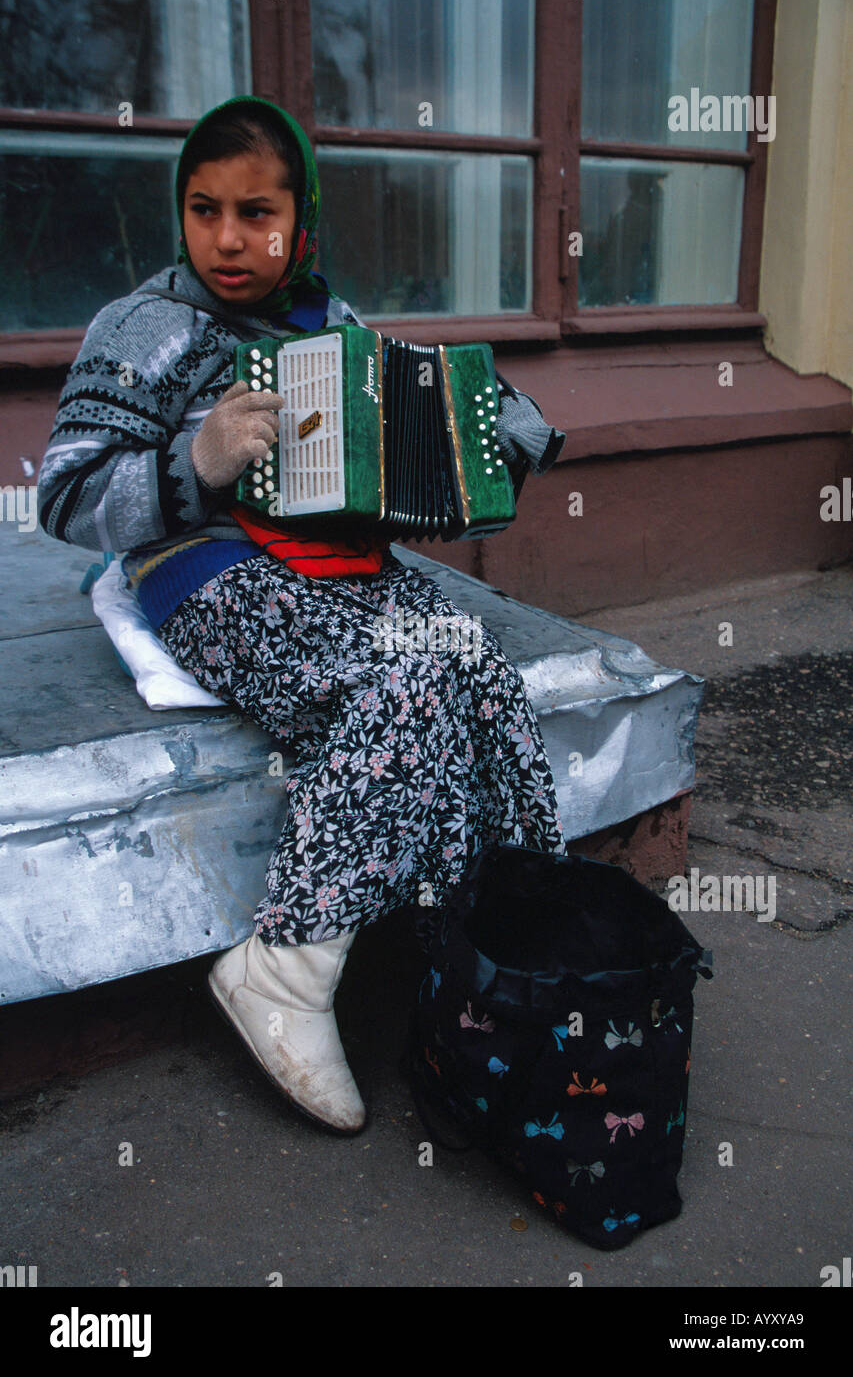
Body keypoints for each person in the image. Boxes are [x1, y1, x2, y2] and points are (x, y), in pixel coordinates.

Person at [38, 95, 566, 1137]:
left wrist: (490, 432)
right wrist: (192, 463)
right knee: (401, 679)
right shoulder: (140, 328)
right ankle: (282, 966)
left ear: (301, 218)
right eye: (203, 209)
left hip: (338, 567)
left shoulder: (337, 327)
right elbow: (63, 493)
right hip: (209, 569)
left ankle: (495, 957)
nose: (229, 239)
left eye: (257, 212)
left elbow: (407, 460)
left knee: (476, 666)